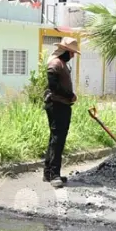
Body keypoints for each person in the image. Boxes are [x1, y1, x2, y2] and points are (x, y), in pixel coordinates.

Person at [43, 37, 80, 188]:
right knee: (57, 140)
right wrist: (69, 95)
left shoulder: (62, 64)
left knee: (56, 139)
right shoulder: (55, 63)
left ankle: (48, 173)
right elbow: (53, 85)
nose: (73, 56)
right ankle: (54, 175)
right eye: (71, 53)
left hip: (62, 104)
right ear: (65, 51)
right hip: (57, 105)